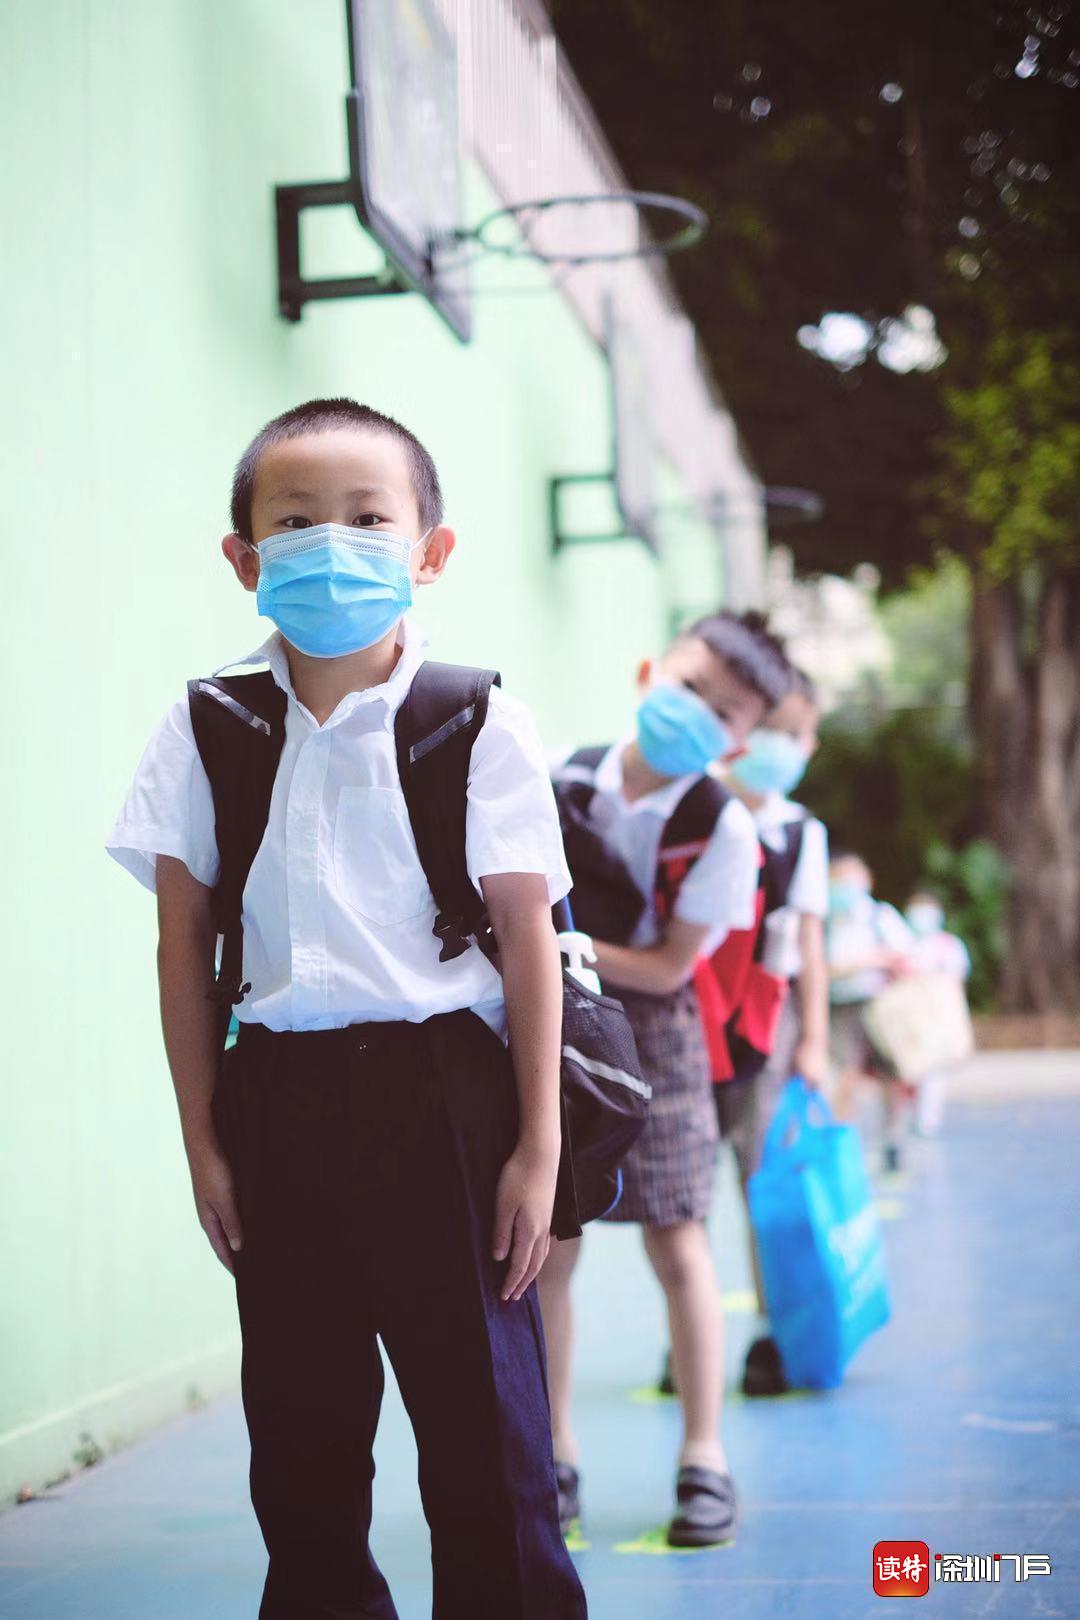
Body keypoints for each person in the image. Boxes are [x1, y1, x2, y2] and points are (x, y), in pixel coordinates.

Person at [106, 398, 587, 1620]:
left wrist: (537, 1146)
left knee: (488, 1444)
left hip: (449, 1100)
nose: (332, 542)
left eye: (369, 519)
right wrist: (204, 1141)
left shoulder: (476, 718)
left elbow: (528, 939)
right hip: (277, 1098)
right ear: (244, 559)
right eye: (295, 521)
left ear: (431, 550)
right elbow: (181, 945)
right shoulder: (206, 727)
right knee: (303, 1452)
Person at [539, 612, 791, 1548]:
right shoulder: (556, 775)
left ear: (740, 741)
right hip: (550, 1025)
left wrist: (552, 946)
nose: (697, 713)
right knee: (546, 1248)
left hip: (657, 1037)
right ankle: (552, 1457)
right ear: (652, 670)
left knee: (679, 1242)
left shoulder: (723, 829)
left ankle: (704, 1459)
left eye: (724, 712)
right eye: (690, 686)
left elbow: (672, 966)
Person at [718, 666, 831, 1396]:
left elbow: (810, 944)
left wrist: (813, 1039)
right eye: (771, 728)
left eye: (797, 734)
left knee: (762, 1181)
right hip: (694, 1016)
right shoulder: (699, 806)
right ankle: (686, 1335)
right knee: (683, 1192)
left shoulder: (800, 832)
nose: (782, 745)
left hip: (767, 1024)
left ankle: (771, 1329)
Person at [826, 850, 914, 1171]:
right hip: (839, 1007)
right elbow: (822, 968)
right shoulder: (824, 922)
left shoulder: (880, 916)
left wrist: (876, 962)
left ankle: (893, 1139)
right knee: (843, 1077)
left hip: (880, 1006)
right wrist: (865, 961)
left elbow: (906, 957)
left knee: (893, 1075)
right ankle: (844, 1146)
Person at [903, 890, 972, 1136]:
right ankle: (908, 1114)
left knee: (934, 1068)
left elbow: (957, 983)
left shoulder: (949, 945)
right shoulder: (903, 942)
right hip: (910, 1014)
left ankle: (927, 1118)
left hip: (938, 1014)